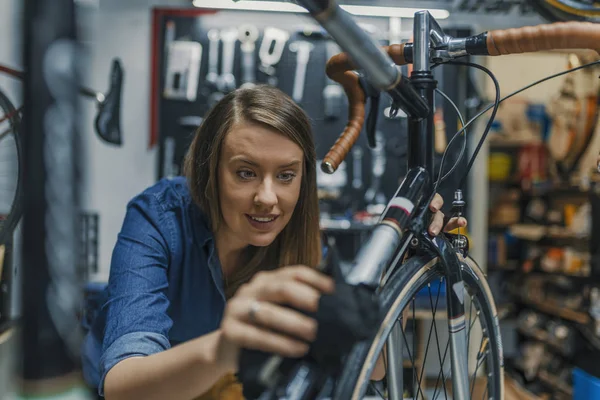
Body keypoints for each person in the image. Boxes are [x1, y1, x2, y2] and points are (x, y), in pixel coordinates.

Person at [81, 85, 466, 400]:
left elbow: (372, 367)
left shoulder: (299, 237)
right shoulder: (158, 218)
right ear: (209, 171)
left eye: (286, 176)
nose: (268, 198)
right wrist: (225, 348)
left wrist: (394, 276)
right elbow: (121, 384)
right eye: (245, 173)